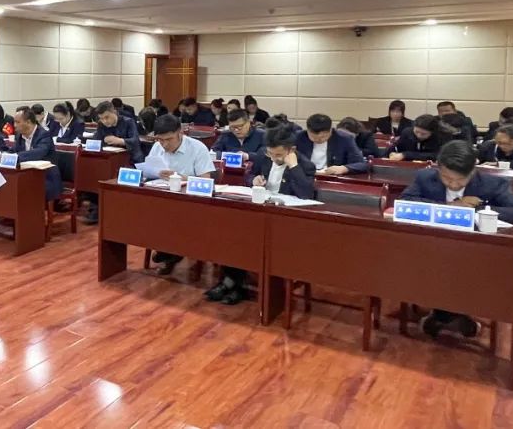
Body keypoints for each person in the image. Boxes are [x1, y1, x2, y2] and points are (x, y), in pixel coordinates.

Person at [400, 140, 513, 339]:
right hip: (432, 248)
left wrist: (477, 208)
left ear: (473, 171)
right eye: (446, 178)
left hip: (474, 252)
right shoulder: (424, 177)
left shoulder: (492, 183)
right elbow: (405, 201)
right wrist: (452, 206)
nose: (453, 184)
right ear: (438, 168)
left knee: (461, 270)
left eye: (460, 180)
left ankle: (443, 315)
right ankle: (450, 316)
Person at [208, 125, 315, 305]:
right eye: (270, 153)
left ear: (291, 150)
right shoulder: (263, 157)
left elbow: (306, 194)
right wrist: (254, 180)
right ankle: (233, 283)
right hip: (260, 213)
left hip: (285, 222)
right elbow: (249, 176)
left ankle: (235, 284)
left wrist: (293, 166)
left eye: (279, 155)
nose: (274, 158)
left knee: (251, 241)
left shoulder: (305, 165)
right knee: (232, 234)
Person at [142, 114, 216, 275]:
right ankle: (168, 250)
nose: (164, 144)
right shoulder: (157, 147)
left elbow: (206, 182)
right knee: (145, 213)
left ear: (180, 133)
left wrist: (182, 178)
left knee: (172, 215)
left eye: (169, 139)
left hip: (190, 202)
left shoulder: (197, 148)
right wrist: (155, 173)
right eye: (160, 140)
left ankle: (171, 252)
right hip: (161, 197)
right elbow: (148, 170)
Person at [82, 101, 143, 224]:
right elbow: (96, 141)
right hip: (110, 160)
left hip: (130, 160)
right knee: (94, 173)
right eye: (101, 119)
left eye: (107, 117)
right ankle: (97, 208)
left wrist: (119, 140)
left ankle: (118, 211)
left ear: (114, 112)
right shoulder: (102, 125)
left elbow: (135, 141)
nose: (104, 121)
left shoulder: (128, 122)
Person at [7, 110, 63, 202]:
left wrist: (16, 156)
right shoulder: (19, 136)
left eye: (17, 122)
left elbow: (39, 152)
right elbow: (14, 150)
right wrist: (4, 155)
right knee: (9, 185)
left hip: (46, 177)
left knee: (20, 189)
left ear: (28, 122)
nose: (14, 125)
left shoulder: (44, 134)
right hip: (27, 175)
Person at [295, 114, 367, 175]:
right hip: (305, 177)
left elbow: (362, 164)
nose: (318, 140)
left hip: (330, 178)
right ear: (307, 130)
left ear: (330, 130)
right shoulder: (298, 137)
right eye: (313, 137)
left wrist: (344, 168)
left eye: (323, 137)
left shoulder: (344, 138)